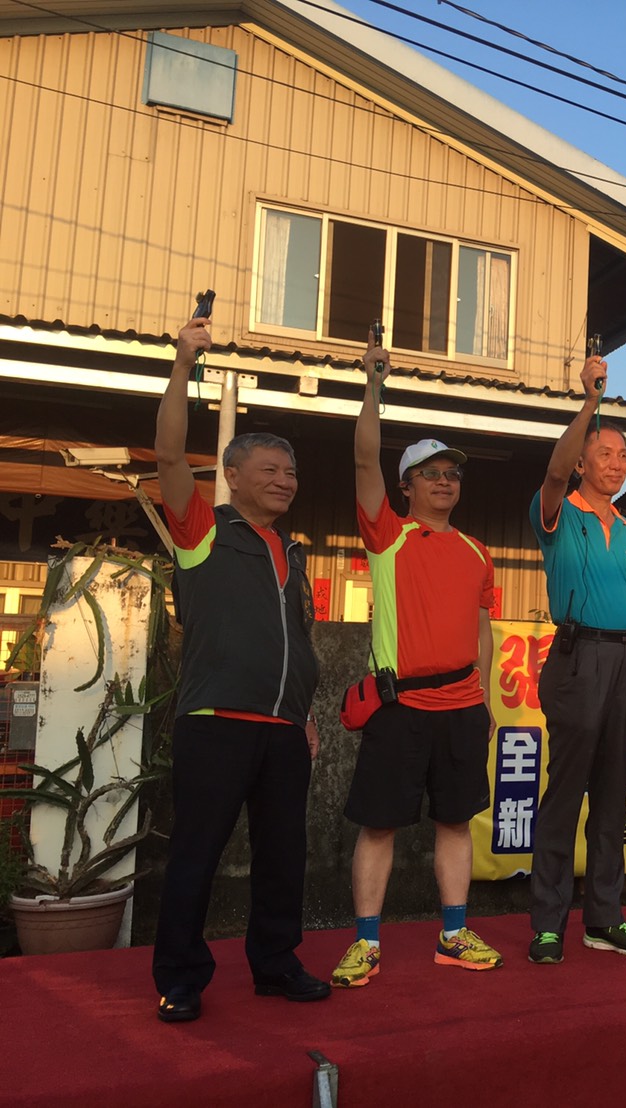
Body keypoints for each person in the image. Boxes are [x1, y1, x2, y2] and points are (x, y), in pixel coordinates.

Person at [152, 311, 328, 1022]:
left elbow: (295, 643)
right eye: (270, 470)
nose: (285, 481)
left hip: (283, 730)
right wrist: (182, 365)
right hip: (216, 720)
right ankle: (180, 978)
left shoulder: (293, 551)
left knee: (284, 857)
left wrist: (304, 714)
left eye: (291, 472)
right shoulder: (203, 532)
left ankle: (276, 964)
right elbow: (169, 456)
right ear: (231, 476)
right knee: (197, 855)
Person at [332, 333, 502, 987]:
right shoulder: (387, 535)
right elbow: (361, 458)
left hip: (462, 708)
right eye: (431, 474)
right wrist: (372, 387)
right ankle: (366, 942)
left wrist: (485, 697)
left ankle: (453, 934)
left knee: (456, 822)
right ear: (406, 486)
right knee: (379, 826)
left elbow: (483, 629)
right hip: (398, 706)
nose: (444, 481)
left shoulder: (478, 552)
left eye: (452, 473)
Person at [527, 352, 626, 964]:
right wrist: (590, 403)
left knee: (612, 799)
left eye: (623, 455)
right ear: (582, 462)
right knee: (565, 793)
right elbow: (554, 471)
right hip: (578, 658)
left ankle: (605, 917)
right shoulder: (556, 512)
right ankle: (547, 924)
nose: (616, 463)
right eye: (604, 453)